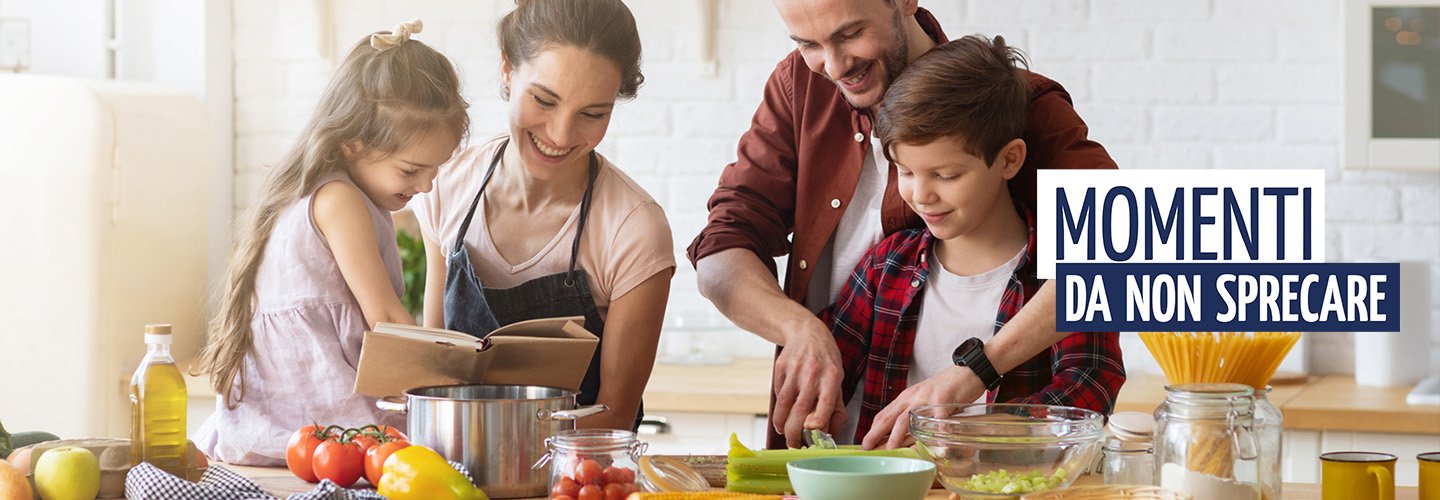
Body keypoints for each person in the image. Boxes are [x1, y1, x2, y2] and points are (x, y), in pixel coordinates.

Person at [687, 0, 1125, 449]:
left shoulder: (1011, 103)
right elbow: (723, 245)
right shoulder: (801, 84)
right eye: (808, 44)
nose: (834, 66)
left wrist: (977, 374)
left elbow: (1128, 257)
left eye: (850, 33)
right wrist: (796, 328)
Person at [825, 35, 1125, 450]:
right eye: (905, 171)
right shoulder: (885, 266)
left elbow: (1089, 387)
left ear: (1009, 159)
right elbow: (830, 368)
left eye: (946, 175)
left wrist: (968, 438)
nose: (921, 195)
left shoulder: (1059, 277)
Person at [192, 20, 468, 465]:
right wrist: (446, 381)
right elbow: (385, 318)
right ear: (354, 145)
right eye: (411, 170)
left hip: (286, 418)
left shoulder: (331, 192)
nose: (427, 186)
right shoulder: (340, 200)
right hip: (317, 416)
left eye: (435, 170)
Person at [414, 0, 673, 432]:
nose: (560, 135)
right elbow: (435, 378)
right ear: (507, 70)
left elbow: (614, 417)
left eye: (593, 114)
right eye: (544, 100)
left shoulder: (633, 229)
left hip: (577, 480)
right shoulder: (445, 186)